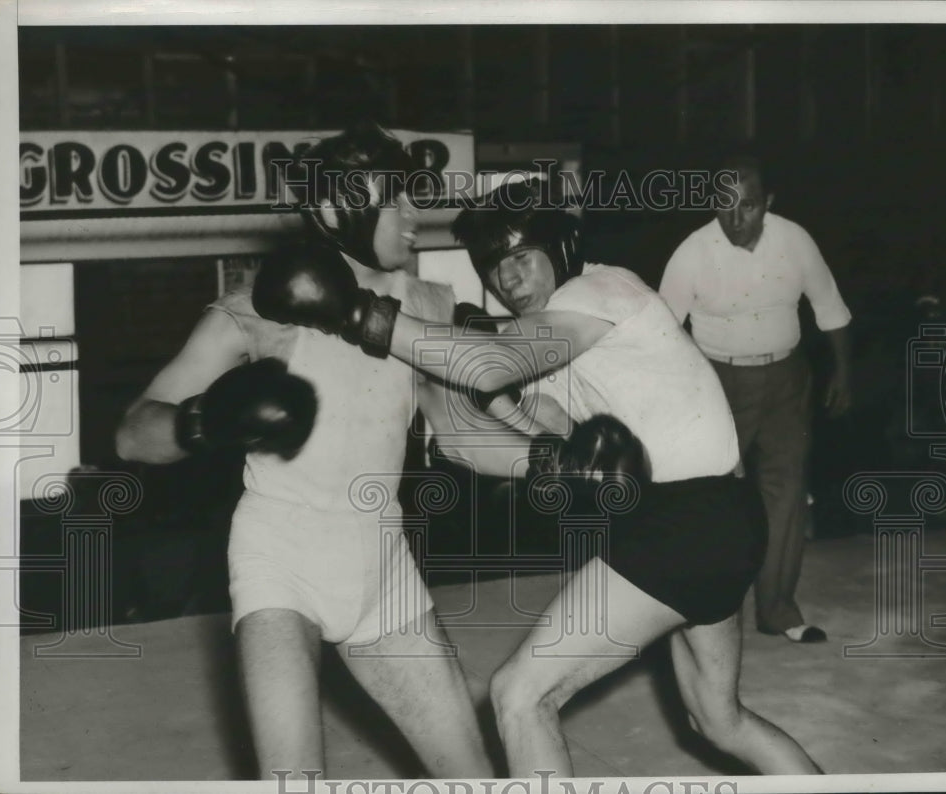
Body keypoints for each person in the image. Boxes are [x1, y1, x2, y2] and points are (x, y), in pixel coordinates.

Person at [251, 177, 823, 777]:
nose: (509, 279)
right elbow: (524, 432)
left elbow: (498, 361)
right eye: (495, 267)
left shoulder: (601, 290)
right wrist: (488, 403)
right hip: (718, 520)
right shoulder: (563, 340)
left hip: (687, 522)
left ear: (561, 249)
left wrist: (356, 314)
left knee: (521, 695)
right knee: (719, 720)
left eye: (523, 258)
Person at [115, 124, 492, 780]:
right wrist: (202, 423)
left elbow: (458, 432)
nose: (413, 215)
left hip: (380, 566)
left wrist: (550, 461)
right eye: (394, 198)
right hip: (279, 561)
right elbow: (130, 434)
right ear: (337, 209)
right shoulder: (263, 310)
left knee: (474, 776)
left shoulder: (427, 306)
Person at [659, 155, 853, 643]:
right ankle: (695, 613)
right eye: (725, 205)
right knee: (711, 496)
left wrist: (844, 375)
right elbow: (660, 332)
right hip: (718, 381)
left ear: (767, 203)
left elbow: (831, 310)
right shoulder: (692, 253)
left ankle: (778, 610)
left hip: (787, 379)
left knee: (786, 493)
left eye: (747, 206)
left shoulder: (795, 240)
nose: (735, 218)